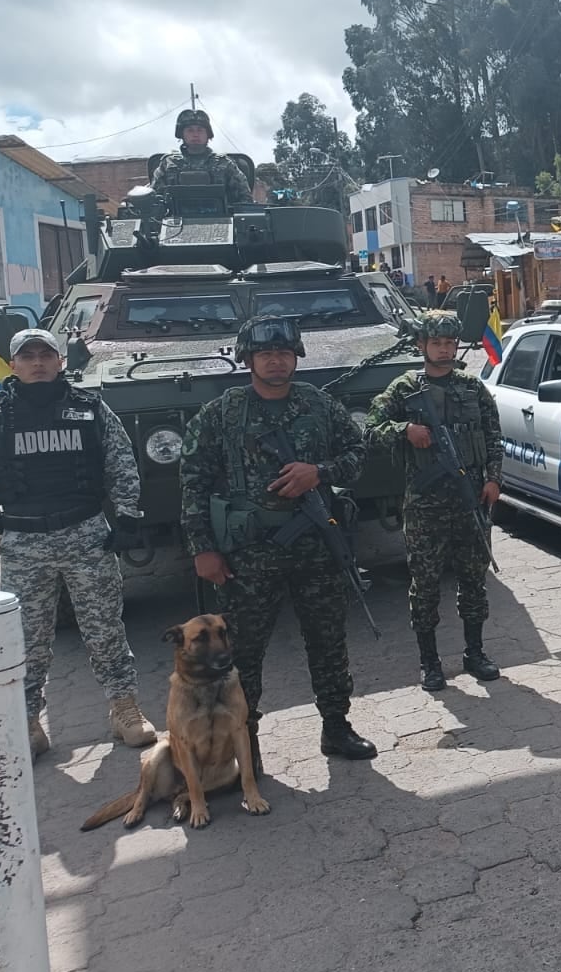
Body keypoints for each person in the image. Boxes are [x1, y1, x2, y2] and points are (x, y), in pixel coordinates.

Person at [178, 315, 377, 763]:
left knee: (327, 642)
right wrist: (203, 549)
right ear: (248, 359)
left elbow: (357, 453)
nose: (275, 361)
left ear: (296, 358)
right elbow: (193, 480)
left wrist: (319, 473)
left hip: (316, 548)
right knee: (241, 655)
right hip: (248, 555)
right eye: (265, 354)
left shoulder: (319, 405)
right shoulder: (223, 412)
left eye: (284, 353)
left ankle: (336, 727)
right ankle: (243, 745)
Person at [0, 329, 156, 758]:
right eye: (26, 356)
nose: (37, 363)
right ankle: (28, 719)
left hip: (85, 535)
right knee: (28, 638)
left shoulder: (90, 408)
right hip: (23, 543)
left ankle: (125, 709)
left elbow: (122, 463)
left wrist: (127, 517)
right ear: (13, 365)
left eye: (46, 355)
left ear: (60, 361)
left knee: (105, 628)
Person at [366, 310, 503, 690]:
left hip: (471, 499)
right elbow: (369, 430)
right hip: (425, 504)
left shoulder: (472, 388)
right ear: (421, 345)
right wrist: (404, 430)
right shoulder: (403, 388)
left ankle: (475, 653)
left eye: (449, 343)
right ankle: (429, 661)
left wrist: (494, 480)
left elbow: (494, 436)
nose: (444, 349)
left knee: (474, 580)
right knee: (425, 585)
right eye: (436, 343)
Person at [149, 109, 253, 206]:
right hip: (174, 222)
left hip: (221, 221)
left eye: (200, 130)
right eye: (190, 130)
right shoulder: (168, 163)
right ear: (182, 134)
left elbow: (245, 200)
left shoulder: (224, 163)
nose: (195, 135)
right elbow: (154, 200)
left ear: (208, 134)